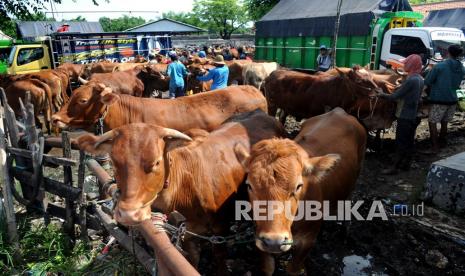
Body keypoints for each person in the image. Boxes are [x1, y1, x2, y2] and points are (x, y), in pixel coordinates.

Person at [379, 54, 424, 174]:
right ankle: (406, 164)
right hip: (412, 114)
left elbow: (395, 96)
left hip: (405, 115)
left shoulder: (411, 80)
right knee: (409, 141)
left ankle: (394, 167)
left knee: (400, 142)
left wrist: (381, 94)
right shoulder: (419, 78)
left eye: (406, 63)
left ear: (411, 65)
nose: (404, 65)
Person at [424, 44, 465, 153]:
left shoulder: (440, 66)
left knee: (432, 122)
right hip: (452, 100)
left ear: (448, 52)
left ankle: (435, 147)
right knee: (444, 122)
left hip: (439, 99)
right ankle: (442, 142)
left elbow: (427, 81)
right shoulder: (461, 67)